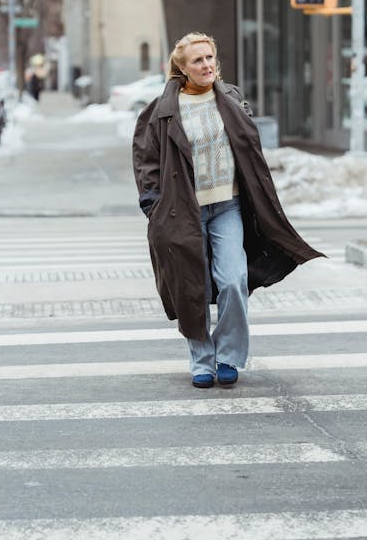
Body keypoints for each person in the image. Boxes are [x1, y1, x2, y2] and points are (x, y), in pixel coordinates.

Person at [132, 32, 323, 388]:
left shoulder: (231, 99)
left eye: (209, 58)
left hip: (228, 206)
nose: (206, 65)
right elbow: (146, 160)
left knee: (233, 280)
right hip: (183, 210)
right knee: (193, 286)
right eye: (197, 61)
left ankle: (229, 356)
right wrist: (153, 203)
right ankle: (202, 360)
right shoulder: (162, 111)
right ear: (182, 68)